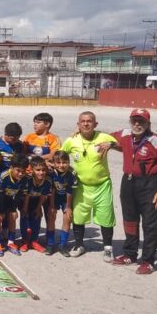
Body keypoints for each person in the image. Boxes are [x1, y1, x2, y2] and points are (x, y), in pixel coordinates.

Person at [108, 109, 157, 274]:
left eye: (141, 121)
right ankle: (130, 254)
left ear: (148, 124)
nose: (137, 124)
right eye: (134, 120)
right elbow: (102, 136)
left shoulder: (156, 140)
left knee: (149, 223)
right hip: (128, 181)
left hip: (149, 184)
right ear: (130, 121)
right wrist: (110, 145)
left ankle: (148, 261)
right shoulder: (124, 134)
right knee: (130, 220)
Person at [61, 111, 118, 261]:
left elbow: (124, 147)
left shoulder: (104, 137)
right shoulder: (71, 140)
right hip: (80, 185)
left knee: (106, 217)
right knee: (78, 217)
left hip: (102, 185)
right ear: (78, 124)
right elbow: (60, 156)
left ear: (95, 124)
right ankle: (79, 245)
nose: (86, 123)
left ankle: (108, 248)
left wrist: (111, 144)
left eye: (89, 121)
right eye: (83, 121)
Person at [0, 155, 28, 257]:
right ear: (11, 167)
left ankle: (11, 242)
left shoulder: (25, 178)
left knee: (13, 215)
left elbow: (20, 194)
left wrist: (13, 209)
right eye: (18, 170)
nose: (21, 174)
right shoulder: (3, 176)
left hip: (10, 198)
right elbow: (0, 194)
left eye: (23, 171)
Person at [46, 150, 77, 257]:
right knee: (51, 216)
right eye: (58, 163)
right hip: (54, 197)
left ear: (69, 162)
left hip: (66, 198)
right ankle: (50, 244)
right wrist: (51, 205)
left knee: (67, 218)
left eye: (64, 162)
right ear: (54, 163)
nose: (61, 165)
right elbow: (52, 189)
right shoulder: (50, 172)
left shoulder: (72, 173)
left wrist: (68, 207)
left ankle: (62, 245)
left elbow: (70, 191)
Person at [21, 156, 52, 253]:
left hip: (37, 200)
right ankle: (25, 241)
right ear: (32, 170)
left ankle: (34, 241)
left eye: (43, 170)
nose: (41, 172)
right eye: (38, 170)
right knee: (24, 218)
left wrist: (39, 208)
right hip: (25, 201)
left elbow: (43, 196)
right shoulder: (28, 179)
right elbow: (27, 196)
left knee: (37, 217)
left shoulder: (47, 181)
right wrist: (24, 209)